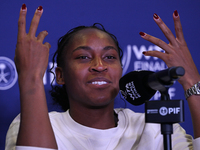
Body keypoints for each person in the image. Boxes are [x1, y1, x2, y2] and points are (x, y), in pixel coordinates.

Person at [5, 4, 200, 150]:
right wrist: (30, 77)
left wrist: (191, 81)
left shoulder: (156, 127)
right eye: (83, 57)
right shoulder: (33, 123)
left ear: (121, 71)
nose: (99, 66)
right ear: (60, 75)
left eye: (109, 57)